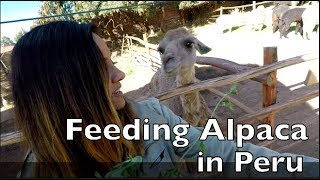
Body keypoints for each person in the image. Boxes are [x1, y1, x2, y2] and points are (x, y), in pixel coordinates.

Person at [11, 21, 319, 178]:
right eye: (99, 69)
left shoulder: (152, 117)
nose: (119, 75)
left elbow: (230, 152)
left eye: (112, 61)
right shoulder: (41, 170)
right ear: (61, 87)